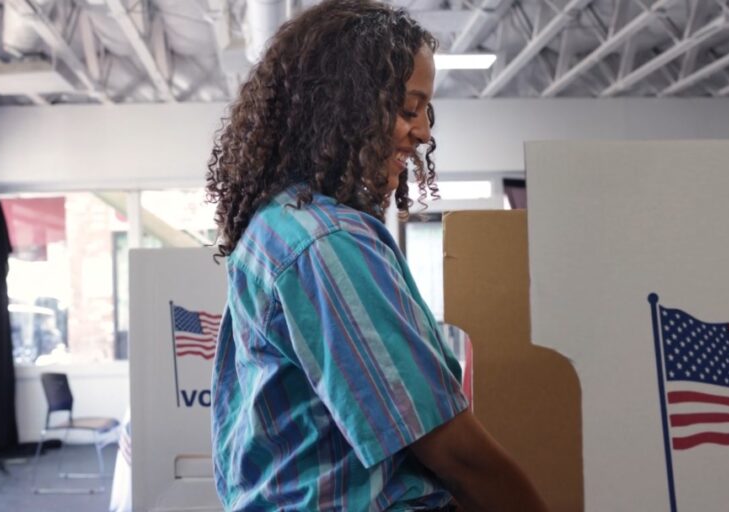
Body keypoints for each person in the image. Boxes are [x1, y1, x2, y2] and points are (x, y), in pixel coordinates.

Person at [206, 1, 548, 510]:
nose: (425, 133)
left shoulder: (276, 223)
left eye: (425, 112)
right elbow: (453, 450)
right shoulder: (326, 243)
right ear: (345, 106)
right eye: (409, 110)